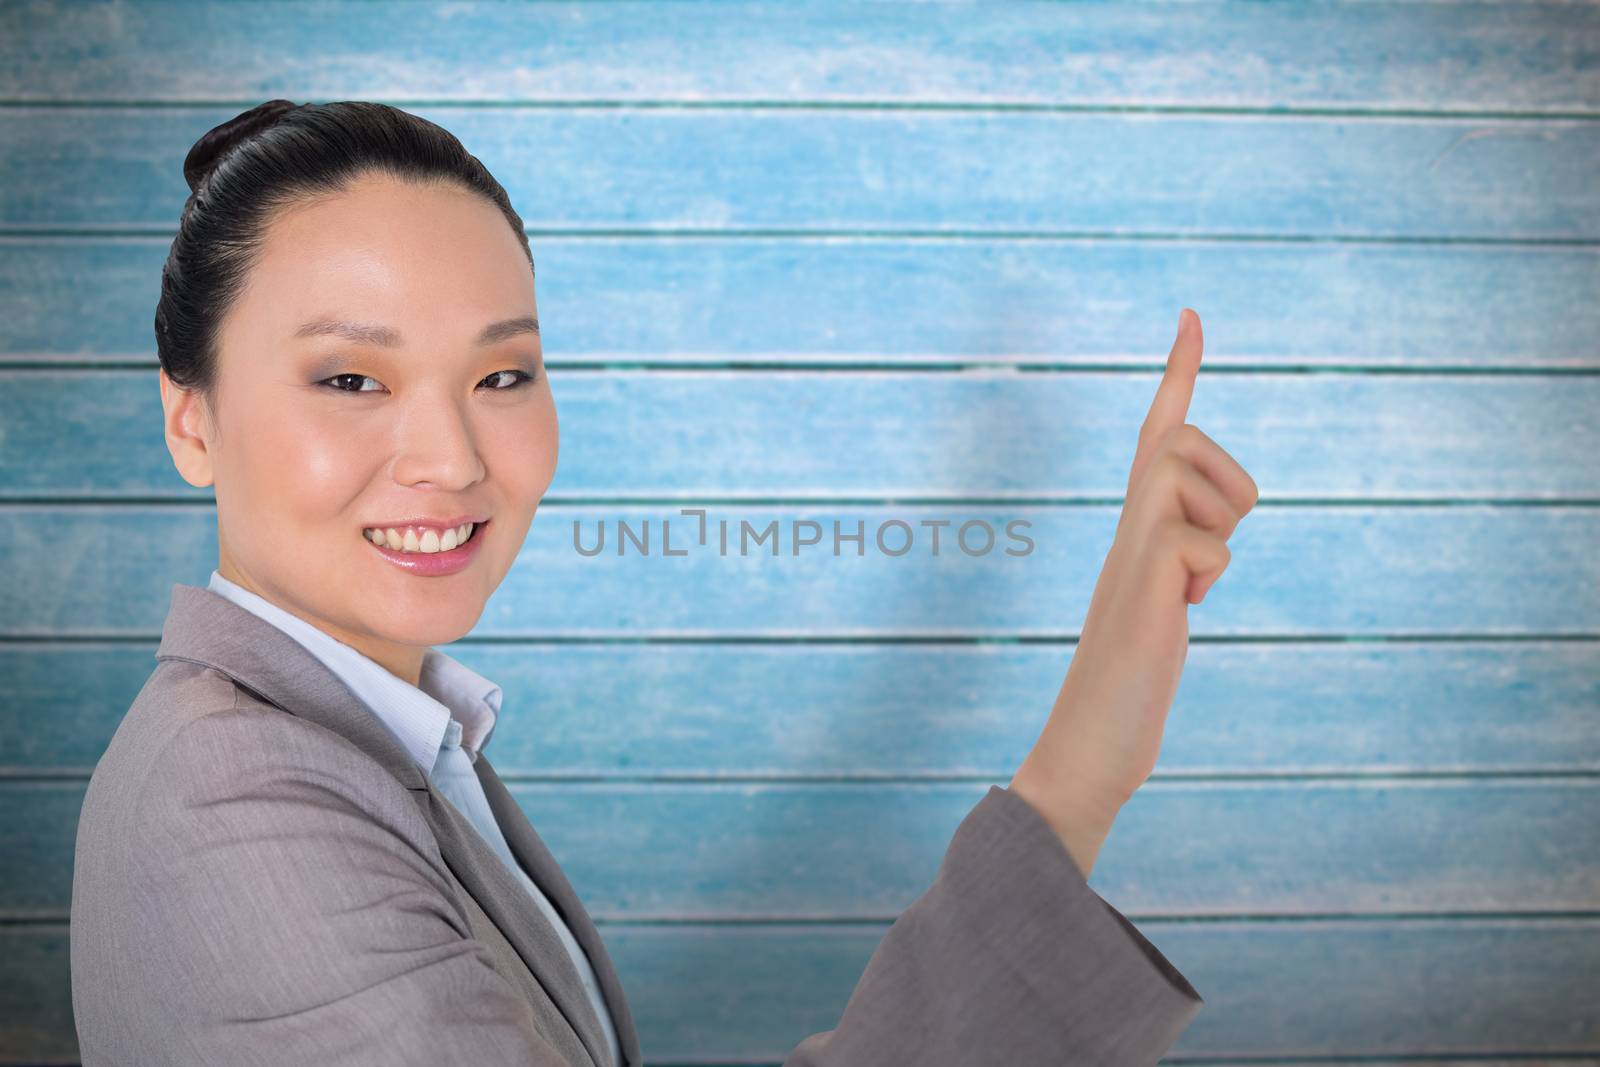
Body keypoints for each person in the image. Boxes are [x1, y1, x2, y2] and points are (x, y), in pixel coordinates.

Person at [69, 99, 1256, 1065]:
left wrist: (1086, 765)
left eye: (502, 375)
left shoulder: (381, 742)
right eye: (350, 380)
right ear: (191, 421)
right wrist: (1074, 776)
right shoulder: (237, 799)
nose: (453, 457)